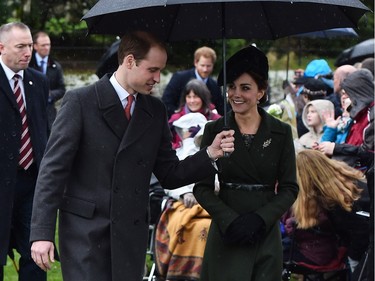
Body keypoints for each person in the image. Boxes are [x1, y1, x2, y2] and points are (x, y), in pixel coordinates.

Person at [29, 30, 235, 281]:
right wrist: (41, 233)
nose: (158, 78)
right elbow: (52, 171)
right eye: (152, 70)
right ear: (129, 61)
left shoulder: (155, 110)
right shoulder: (81, 101)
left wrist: (210, 153)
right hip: (85, 234)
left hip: (130, 233)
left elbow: (170, 174)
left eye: (160, 70)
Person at [193, 45, 299, 281]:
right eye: (231, 87)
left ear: (261, 92)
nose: (236, 94)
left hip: (264, 232)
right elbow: (202, 186)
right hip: (226, 232)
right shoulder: (215, 130)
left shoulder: (281, 132)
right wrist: (229, 220)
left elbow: (289, 188)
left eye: (245, 87)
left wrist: (261, 219)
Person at [0, 22, 49, 281]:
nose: (28, 51)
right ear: (1, 48)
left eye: (30, 45)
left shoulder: (38, 82)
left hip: (33, 183)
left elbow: (43, 129)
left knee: (36, 252)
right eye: (20, 46)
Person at [283, 150, 369, 275]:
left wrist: (353, 258)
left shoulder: (335, 200)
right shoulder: (345, 178)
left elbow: (360, 233)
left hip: (364, 247)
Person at [155, 113, 212, 281]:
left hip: (208, 205)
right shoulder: (180, 152)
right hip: (182, 204)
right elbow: (170, 181)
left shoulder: (215, 155)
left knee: (208, 226)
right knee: (187, 227)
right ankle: (183, 274)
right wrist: (184, 193)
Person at [162, 46, 224, 117]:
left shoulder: (214, 85)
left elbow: (220, 108)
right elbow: (167, 102)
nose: (205, 69)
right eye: (202, 65)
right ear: (195, 63)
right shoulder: (180, 78)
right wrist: (179, 118)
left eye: (208, 66)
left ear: (213, 65)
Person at [168, 79, 221, 150]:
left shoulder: (215, 119)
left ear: (203, 98)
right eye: (189, 97)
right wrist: (181, 142)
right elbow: (166, 144)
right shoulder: (176, 119)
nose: (192, 101)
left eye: (195, 97)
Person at [29, 31, 66, 131]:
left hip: (49, 112)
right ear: (35, 46)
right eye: (43, 45)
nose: (47, 47)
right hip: (31, 110)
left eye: (48, 44)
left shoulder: (56, 66)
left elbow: (62, 89)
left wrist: (49, 95)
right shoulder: (27, 64)